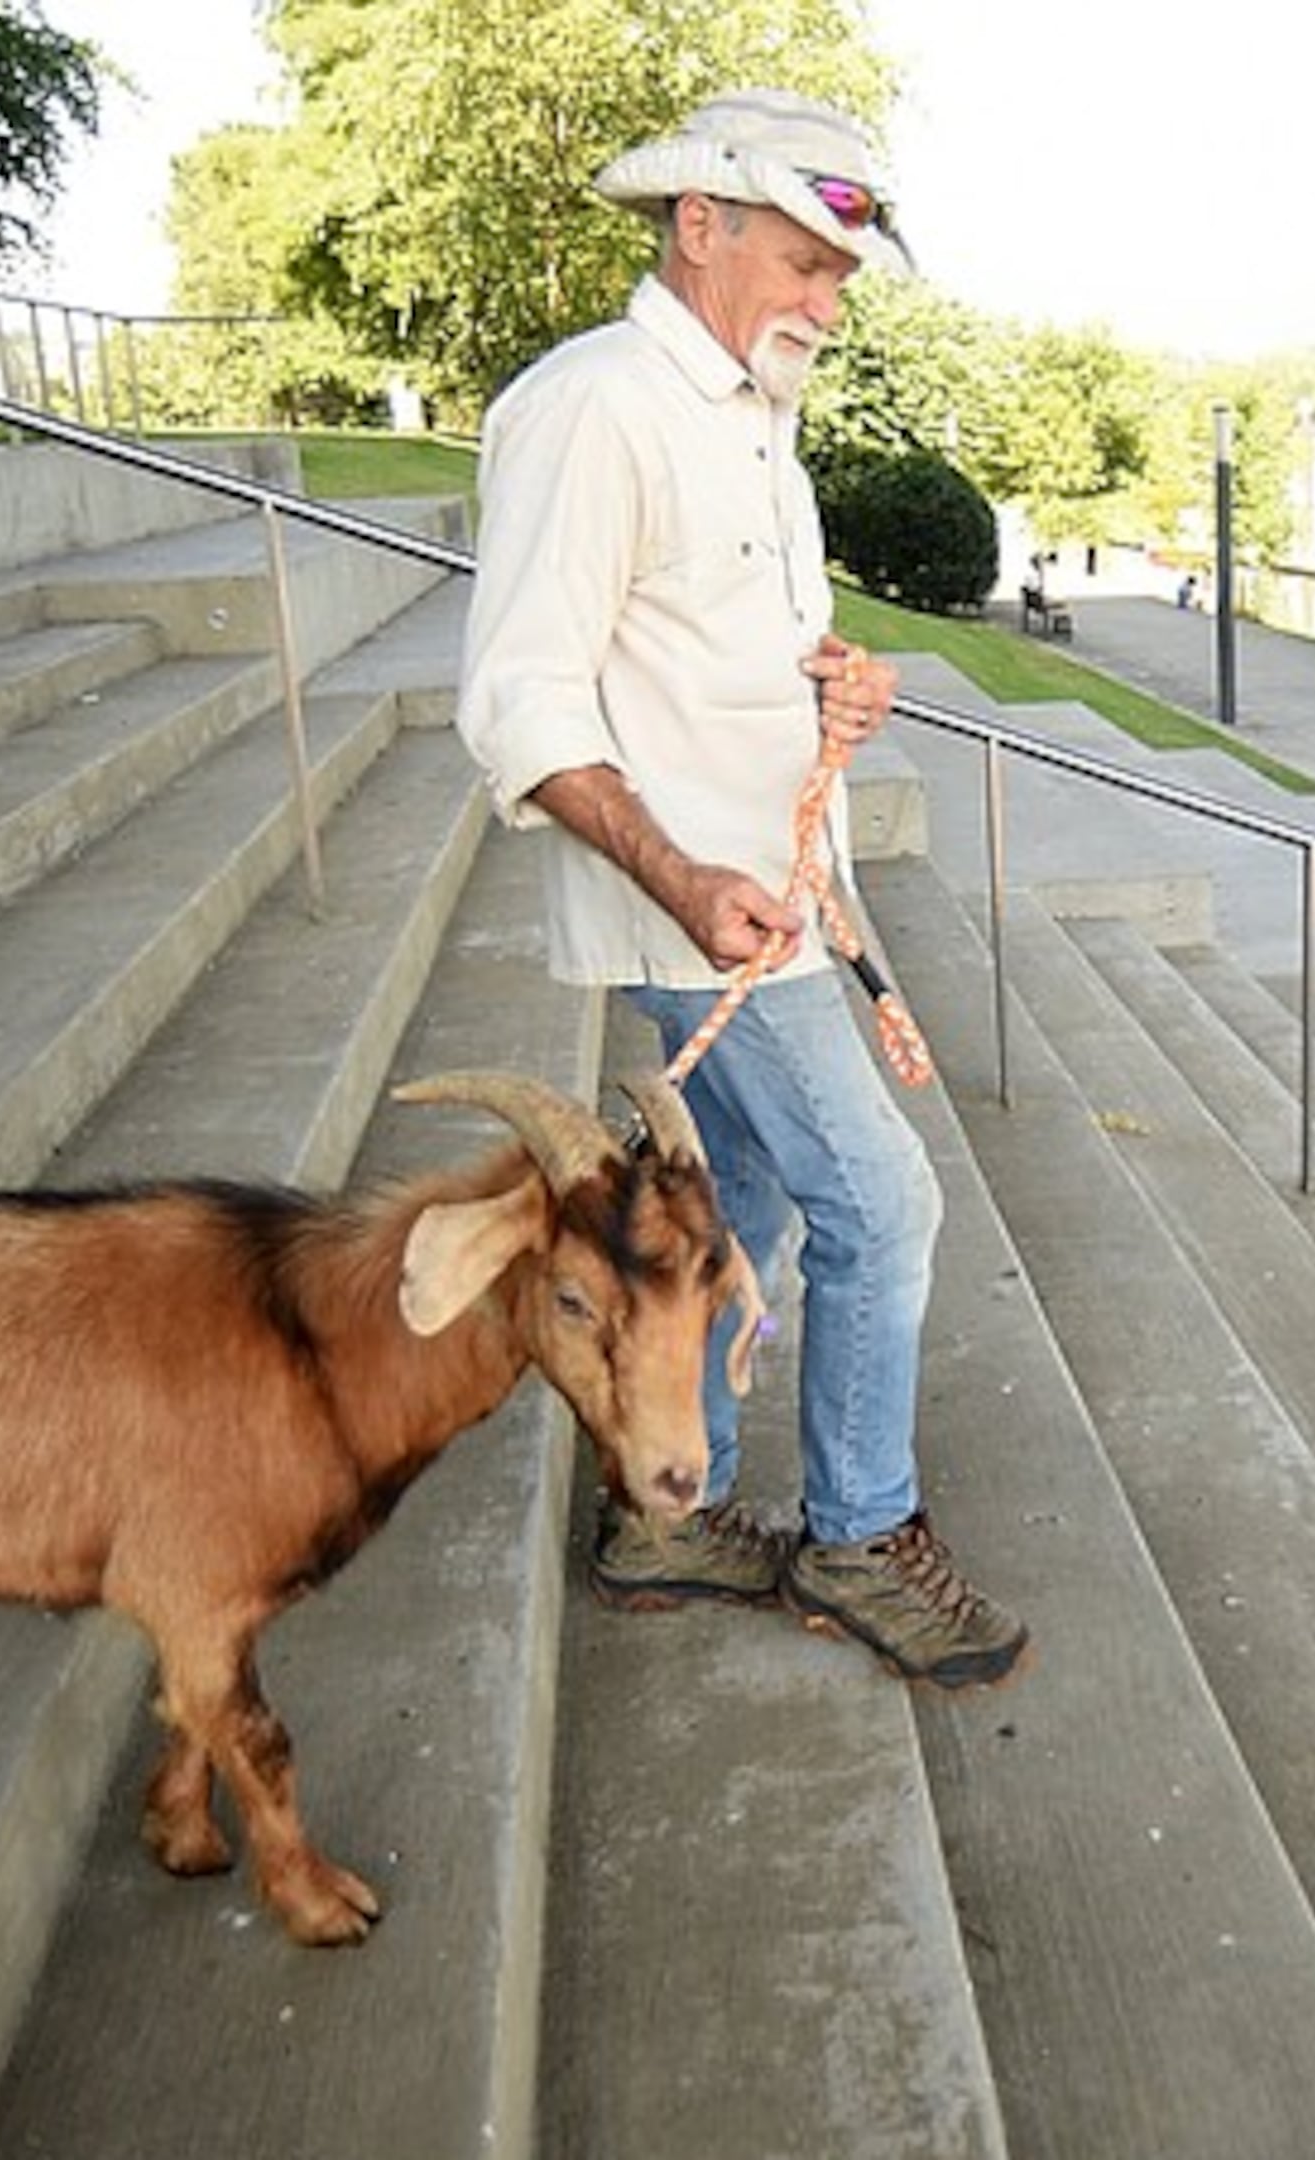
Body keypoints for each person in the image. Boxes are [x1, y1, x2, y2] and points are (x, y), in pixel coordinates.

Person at [454, 90, 1028, 1689]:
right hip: (696, 916)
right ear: (697, 229)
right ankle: (860, 1537)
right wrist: (684, 874)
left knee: (759, 1204)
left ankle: (666, 1510)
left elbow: (722, 654)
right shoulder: (594, 406)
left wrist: (843, 689)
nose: (827, 307)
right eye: (804, 264)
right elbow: (522, 698)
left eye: (841, 277)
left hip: (772, 904)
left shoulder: (750, 414)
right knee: (884, 1204)